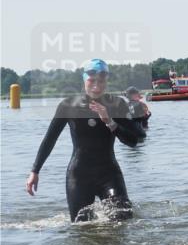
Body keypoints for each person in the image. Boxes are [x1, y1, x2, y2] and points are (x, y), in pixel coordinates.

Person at [25, 59, 146, 221]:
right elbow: (50, 139)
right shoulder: (68, 106)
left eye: (101, 80)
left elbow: (135, 140)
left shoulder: (116, 104)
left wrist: (109, 121)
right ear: (84, 79)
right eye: (92, 79)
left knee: (123, 218)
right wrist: (35, 171)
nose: (96, 84)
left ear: (106, 81)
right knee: (80, 226)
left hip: (109, 174)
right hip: (79, 176)